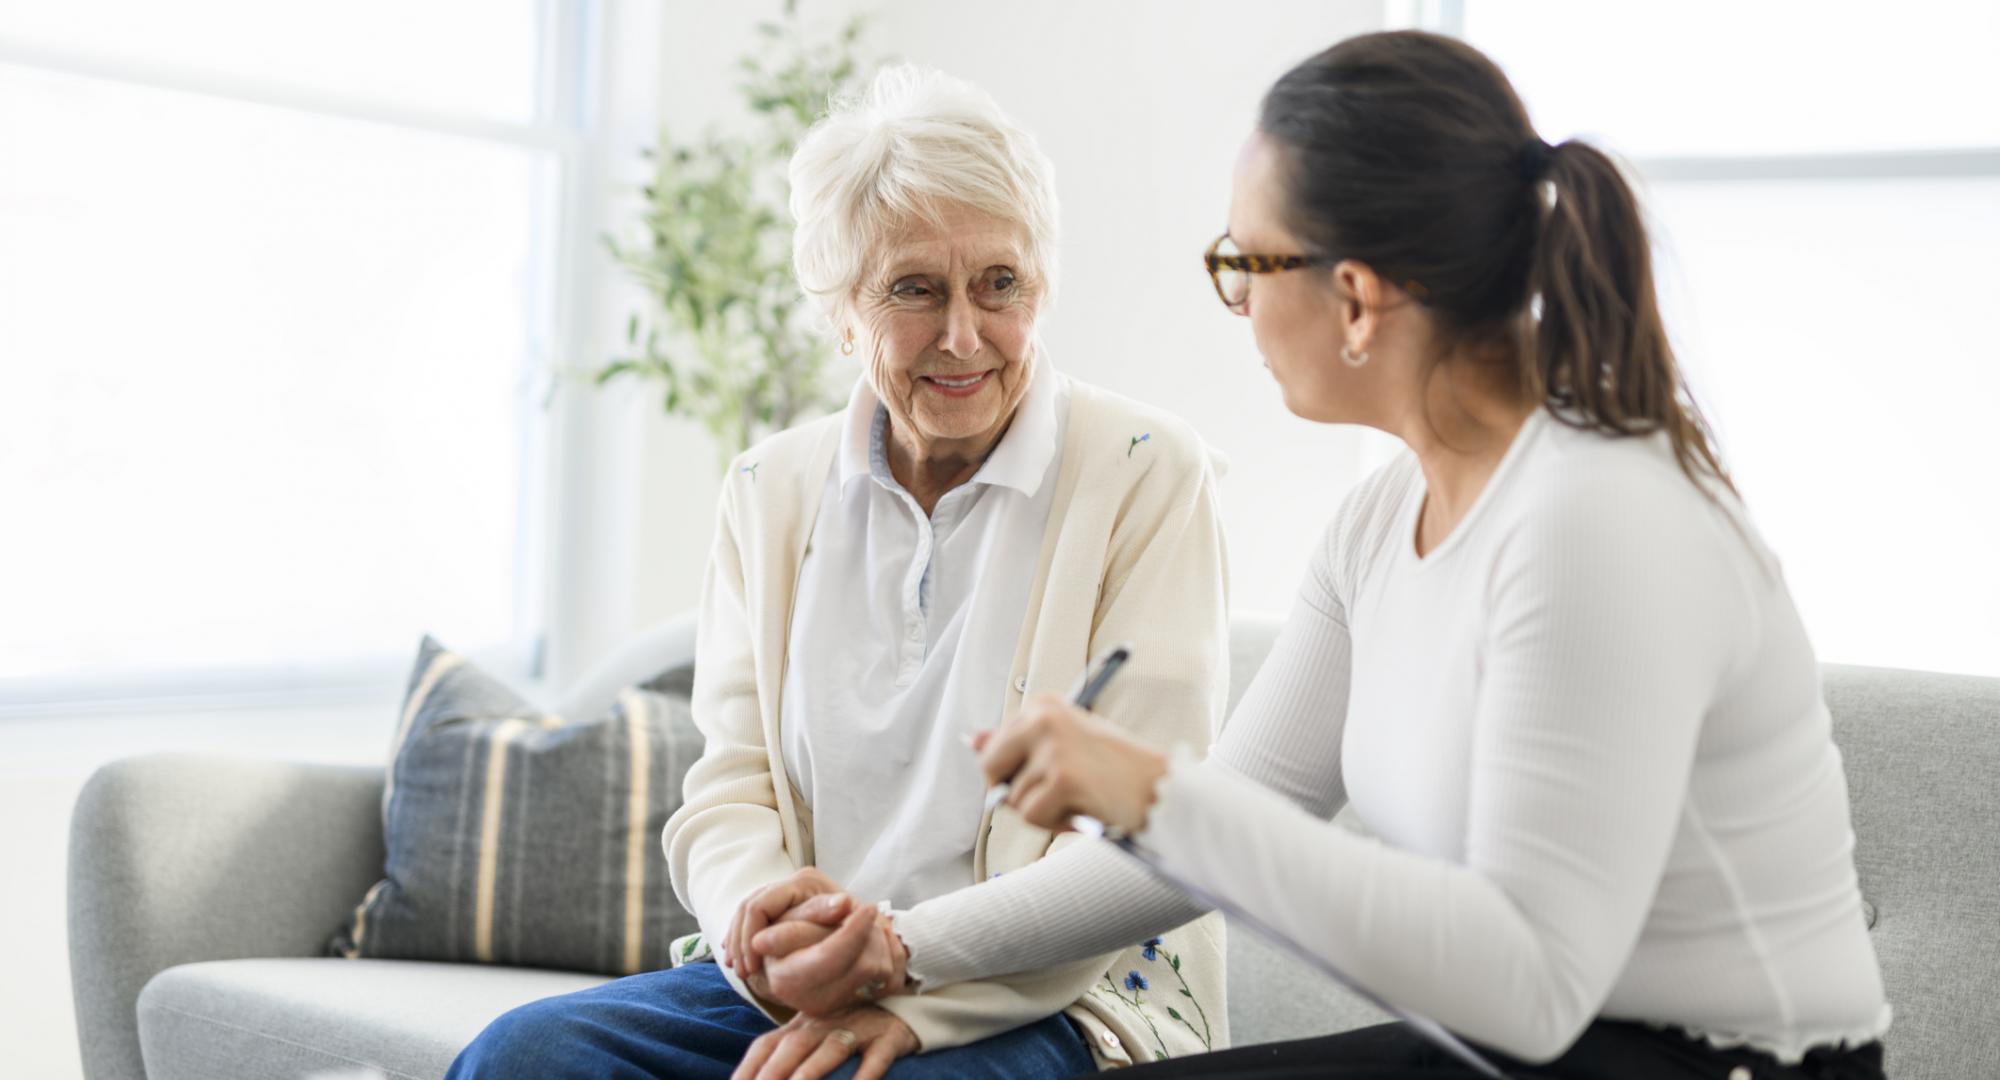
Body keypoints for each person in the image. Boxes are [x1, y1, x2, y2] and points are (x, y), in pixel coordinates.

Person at [772, 30, 1891, 1080]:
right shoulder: (1379, 521)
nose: (1239, 305)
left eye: (1244, 264)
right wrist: (896, 951)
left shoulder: (1587, 522)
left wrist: (1150, 792)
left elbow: (1531, 984)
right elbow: (1206, 833)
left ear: (1352, 298)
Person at [443, 64, 1229, 1080]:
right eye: (913, 288)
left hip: (1061, 994)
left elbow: (1140, 838)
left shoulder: (1144, 472)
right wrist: (765, 927)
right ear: (838, 309)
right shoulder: (769, 488)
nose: (961, 335)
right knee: (527, 1056)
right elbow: (729, 786)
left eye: (999, 284)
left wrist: (920, 997)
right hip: (814, 984)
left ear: (1042, 284)